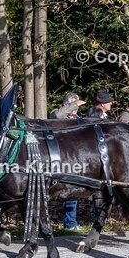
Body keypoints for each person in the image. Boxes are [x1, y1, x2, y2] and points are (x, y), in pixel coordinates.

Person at [50, 92, 85, 230]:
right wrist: (72, 105)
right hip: (58, 159)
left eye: (76, 105)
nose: (75, 108)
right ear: (66, 104)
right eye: (71, 104)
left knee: (73, 191)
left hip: (76, 160)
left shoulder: (80, 119)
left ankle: (70, 223)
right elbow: (57, 116)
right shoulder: (57, 116)